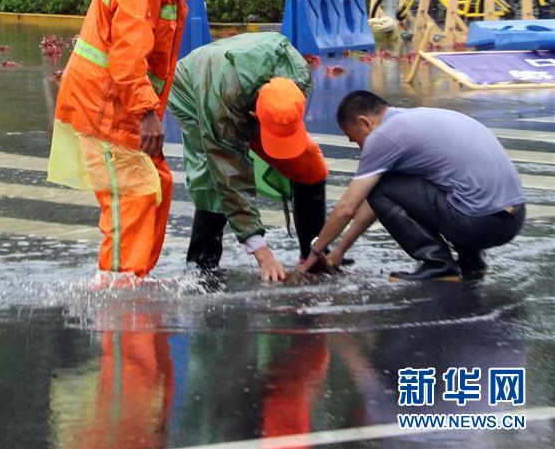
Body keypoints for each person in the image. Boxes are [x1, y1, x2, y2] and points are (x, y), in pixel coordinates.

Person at [47, 0, 242, 277]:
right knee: (133, 197)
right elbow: (126, 58)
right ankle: (120, 287)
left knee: (159, 185)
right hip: (103, 108)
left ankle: (135, 280)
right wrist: (146, 114)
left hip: (120, 106)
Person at [300, 90, 527, 281]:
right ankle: (472, 260)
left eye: (356, 139)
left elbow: (348, 207)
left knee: (380, 186)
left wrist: (315, 251)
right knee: (451, 186)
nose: (360, 148)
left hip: (480, 224)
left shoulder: (384, 137)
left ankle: (437, 263)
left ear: (364, 122)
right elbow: (379, 204)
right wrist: (339, 250)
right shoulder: (416, 120)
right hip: (512, 218)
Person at [166, 32, 330, 282]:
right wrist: (263, 255)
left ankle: (314, 254)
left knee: (309, 163)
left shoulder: (299, 77)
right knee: (213, 178)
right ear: (254, 116)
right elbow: (230, 177)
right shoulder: (221, 101)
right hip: (194, 88)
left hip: (243, 84)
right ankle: (202, 264)